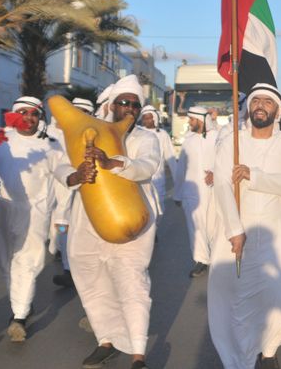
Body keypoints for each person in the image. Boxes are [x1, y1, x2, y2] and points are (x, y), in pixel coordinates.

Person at [209, 83, 281, 369]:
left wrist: (255, 176)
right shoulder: (233, 143)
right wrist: (234, 229)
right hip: (240, 232)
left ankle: (269, 350)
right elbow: (223, 185)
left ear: (277, 111)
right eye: (256, 101)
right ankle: (242, 359)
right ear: (249, 108)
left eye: (267, 101)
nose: (260, 106)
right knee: (240, 299)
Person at [67, 75, 162, 369]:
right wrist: (74, 176)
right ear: (111, 105)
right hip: (87, 221)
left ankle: (138, 355)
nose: (129, 109)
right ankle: (105, 341)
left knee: (133, 283)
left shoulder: (146, 138)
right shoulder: (88, 132)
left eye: (135, 104)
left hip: (133, 221)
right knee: (91, 280)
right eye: (124, 103)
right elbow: (60, 165)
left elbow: (147, 165)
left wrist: (113, 163)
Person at [0, 96, 78, 341]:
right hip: (3, 209)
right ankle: (20, 305)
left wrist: (72, 178)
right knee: (8, 262)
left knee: (29, 262)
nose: (29, 118)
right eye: (24, 113)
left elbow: (62, 169)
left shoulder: (50, 144)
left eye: (34, 114)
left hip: (35, 211)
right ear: (14, 114)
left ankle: (19, 316)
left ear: (40, 118)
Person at [50, 97, 95, 289]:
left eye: (84, 113)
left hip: (88, 198)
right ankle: (68, 270)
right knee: (63, 228)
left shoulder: (95, 136)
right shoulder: (55, 135)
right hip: (62, 194)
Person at [174, 105, 217, 278]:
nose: (189, 122)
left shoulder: (218, 137)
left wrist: (216, 173)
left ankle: (215, 260)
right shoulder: (189, 141)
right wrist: (177, 194)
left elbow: (226, 159)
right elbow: (180, 169)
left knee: (213, 228)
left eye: (191, 119)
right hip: (192, 193)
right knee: (196, 228)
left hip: (214, 192)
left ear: (200, 120)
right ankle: (201, 261)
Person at [138, 105, 177, 205]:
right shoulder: (138, 132)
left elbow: (171, 158)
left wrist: (178, 181)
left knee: (159, 208)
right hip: (141, 180)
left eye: (149, 118)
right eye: (144, 118)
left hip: (158, 179)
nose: (146, 121)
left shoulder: (162, 134)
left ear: (154, 118)